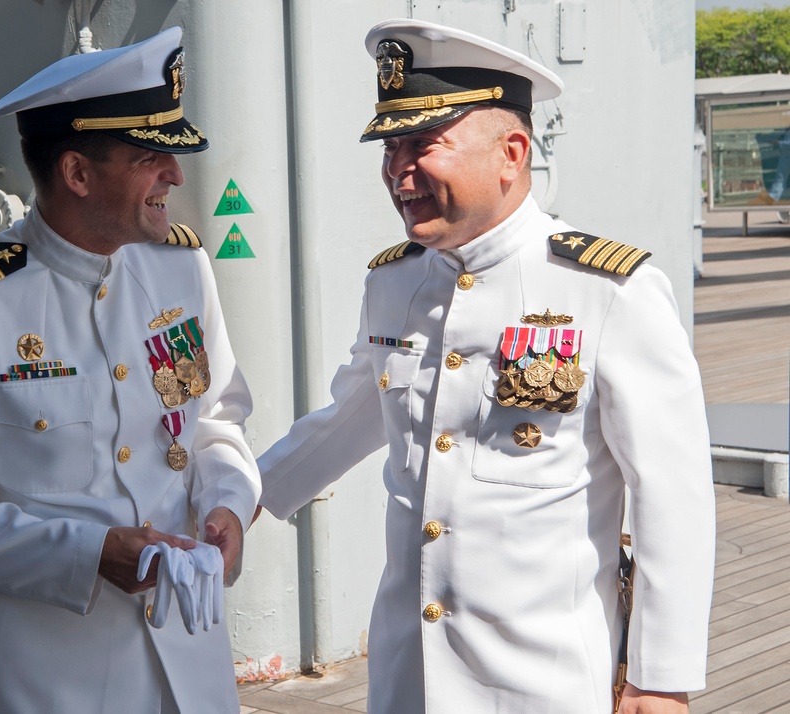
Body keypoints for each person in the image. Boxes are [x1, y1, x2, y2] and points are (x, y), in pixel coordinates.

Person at [255, 18, 715, 714]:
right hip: (410, 677)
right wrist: (244, 496)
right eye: (389, 146)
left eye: (422, 145)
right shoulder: (394, 285)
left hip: (541, 683)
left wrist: (659, 678)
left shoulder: (608, 290)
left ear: (512, 152)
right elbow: (351, 415)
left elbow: (672, 498)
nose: (396, 170)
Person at [0, 27, 260, 714]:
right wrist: (86, 555)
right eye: (151, 158)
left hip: (188, 669)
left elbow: (214, 419)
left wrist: (228, 502)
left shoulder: (180, 266)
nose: (174, 175)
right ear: (78, 174)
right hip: (48, 680)